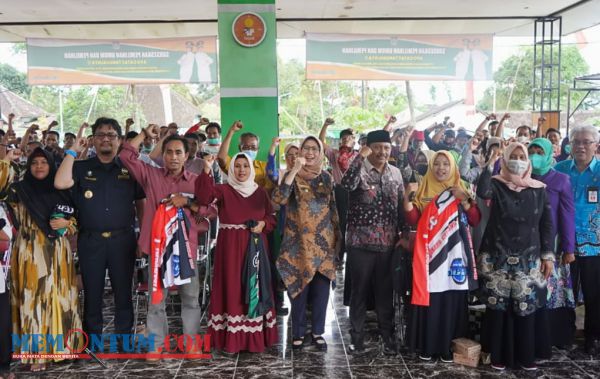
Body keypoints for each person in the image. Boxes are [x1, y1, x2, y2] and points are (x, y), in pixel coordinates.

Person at [54, 117, 145, 345]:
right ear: (92, 140)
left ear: (119, 140)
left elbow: (141, 203)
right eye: (101, 135)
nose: (106, 139)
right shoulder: (81, 168)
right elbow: (61, 183)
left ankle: (123, 341)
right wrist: (72, 152)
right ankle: (92, 342)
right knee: (92, 294)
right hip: (90, 240)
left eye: (111, 135)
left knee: (123, 292)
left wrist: (143, 236)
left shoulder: (129, 168)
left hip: (123, 240)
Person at [120, 125, 205, 357]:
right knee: (156, 301)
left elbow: (211, 211)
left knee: (190, 299)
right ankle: (156, 345)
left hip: (187, 249)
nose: (174, 157)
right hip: (157, 250)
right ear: (163, 154)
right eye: (169, 152)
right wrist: (145, 136)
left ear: (187, 156)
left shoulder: (197, 182)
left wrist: (187, 202)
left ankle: (192, 345)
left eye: (179, 152)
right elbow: (126, 155)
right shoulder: (151, 175)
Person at [476, 142, 554, 371]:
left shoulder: (539, 188)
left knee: (526, 305)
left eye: (522, 156)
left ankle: (526, 356)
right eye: (513, 156)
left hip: (528, 258)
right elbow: (482, 191)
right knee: (498, 308)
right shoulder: (496, 184)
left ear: (528, 161)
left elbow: (547, 224)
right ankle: (498, 356)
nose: (518, 160)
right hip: (497, 256)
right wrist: (491, 163)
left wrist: (548, 255)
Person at [8, 148, 82, 372]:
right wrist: (6, 160)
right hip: (29, 250)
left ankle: (64, 349)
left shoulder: (63, 189)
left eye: (44, 162)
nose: (39, 166)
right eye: (34, 163)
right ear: (28, 167)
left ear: (52, 165)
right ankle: (37, 354)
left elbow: (78, 219)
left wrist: (68, 225)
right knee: (33, 300)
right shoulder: (17, 190)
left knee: (59, 298)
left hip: (57, 252)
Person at [196, 153, 277, 353]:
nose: (241, 170)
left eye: (245, 166)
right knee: (232, 288)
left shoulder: (260, 192)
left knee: (253, 288)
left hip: (255, 247)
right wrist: (206, 169)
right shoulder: (224, 190)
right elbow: (203, 198)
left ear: (251, 169)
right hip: (230, 251)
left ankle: (254, 340)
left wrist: (263, 224)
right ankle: (232, 341)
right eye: (237, 166)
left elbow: (271, 217)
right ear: (232, 169)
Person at [404, 151, 480, 361]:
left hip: (455, 255)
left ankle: (450, 346)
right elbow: (414, 220)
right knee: (432, 298)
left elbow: (474, 220)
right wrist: (407, 201)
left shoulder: (462, 188)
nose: (441, 168)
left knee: (451, 298)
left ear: (453, 166)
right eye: (436, 164)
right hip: (429, 255)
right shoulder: (423, 188)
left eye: (446, 164)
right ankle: (428, 346)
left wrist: (465, 201)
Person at [273, 136, 340, 351]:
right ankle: (299, 333)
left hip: (323, 244)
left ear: (320, 152)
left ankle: (318, 332)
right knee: (298, 290)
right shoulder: (291, 178)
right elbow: (278, 199)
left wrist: (338, 242)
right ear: (300, 151)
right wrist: (293, 170)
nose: (310, 152)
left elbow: (333, 210)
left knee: (322, 291)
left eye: (314, 148)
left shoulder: (327, 178)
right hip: (297, 244)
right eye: (306, 148)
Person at [341, 130, 404, 354]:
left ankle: (388, 338)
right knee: (359, 292)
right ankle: (357, 338)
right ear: (368, 148)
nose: (382, 152)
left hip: (388, 244)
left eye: (386, 148)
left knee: (386, 294)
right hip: (360, 244)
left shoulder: (396, 173)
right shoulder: (358, 170)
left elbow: (401, 206)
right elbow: (346, 184)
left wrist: (403, 234)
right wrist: (359, 156)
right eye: (377, 147)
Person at [554, 125, 600, 354]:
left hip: (595, 245)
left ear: (596, 145)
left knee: (594, 293)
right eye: (576, 141)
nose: (581, 146)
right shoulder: (559, 170)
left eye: (587, 142)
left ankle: (593, 337)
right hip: (564, 243)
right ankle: (565, 334)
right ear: (569, 144)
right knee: (565, 291)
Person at [527, 138, 576, 352]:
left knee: (551, 293)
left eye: (540, 151)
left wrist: (569, 248)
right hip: (526, 246)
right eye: (532, 151)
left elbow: (566, 215)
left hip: (552, 246)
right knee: (529, 292)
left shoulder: (560, 180)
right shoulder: (523, 178)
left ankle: (550, 337)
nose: (535, 155)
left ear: (549, 154)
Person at [318, 118, 358, 267]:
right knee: (340, 223)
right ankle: (339, 256)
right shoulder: (334, 154)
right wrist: (325, 125)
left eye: (349, 138)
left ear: (354, 140)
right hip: (340, 191)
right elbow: (320, 142)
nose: (345, 140)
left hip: (355, 192)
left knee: (354, 224)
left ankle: (354, 256)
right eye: (343, 138)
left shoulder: (359, 155)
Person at [217, 121, 273, 191]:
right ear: (240, 148)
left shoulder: (264, 166)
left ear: (258, 149)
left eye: (253, 147)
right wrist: (231, 131)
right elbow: (221, 157)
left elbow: (268, 189)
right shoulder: (233, 164)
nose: (250, 150)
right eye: (246, 147)